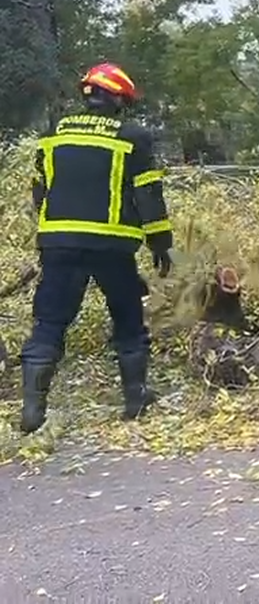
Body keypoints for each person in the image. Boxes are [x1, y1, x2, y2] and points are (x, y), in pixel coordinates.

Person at [19, 62, 175, 434]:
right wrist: (160, 244)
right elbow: (149, 194)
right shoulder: (132, 137)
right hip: (111, 244)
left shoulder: (55, 132)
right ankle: (135, 398)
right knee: (127, 318)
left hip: (58, 241)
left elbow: (39, 189)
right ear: (117, 98)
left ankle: (32, 409)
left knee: (49, 322)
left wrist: (54, 230)